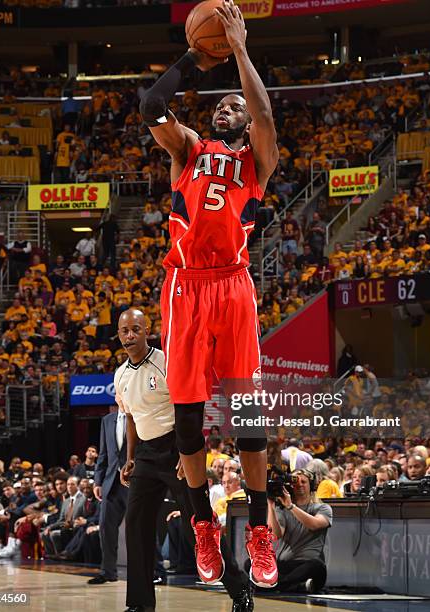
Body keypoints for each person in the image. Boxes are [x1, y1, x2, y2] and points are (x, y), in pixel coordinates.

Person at [140, 0, 279, 588]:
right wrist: (194, 58)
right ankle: (203, 526)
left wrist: (242, 49)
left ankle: (260, 530)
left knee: (248, 421)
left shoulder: (257, 162)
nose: (227, 107)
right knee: (191, 427)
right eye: (221, 103)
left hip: (233, 286)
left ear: (245, 123)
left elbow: (267, 113)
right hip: (185, 285)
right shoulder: (189, 149)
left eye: (235, 105)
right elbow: (150, 105)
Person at [117, 309, 253, 612]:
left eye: (135, 329)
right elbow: (129, 417)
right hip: (145, 457)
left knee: (200, 522)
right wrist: (129, 458)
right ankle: (140, 604)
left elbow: (188, 406)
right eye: (124, 330)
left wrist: (186, 451)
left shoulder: (165, 361)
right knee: (136, 525)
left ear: (147, 331)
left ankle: (240, 589)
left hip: (175, 447)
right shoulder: (121, 374)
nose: (129, 336)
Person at [267, 469, 332, 593]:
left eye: (304, 482)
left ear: (311, 485)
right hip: (285, 564)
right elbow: (275, 534)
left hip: (306, 565)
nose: (299, 484)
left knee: (317, 566)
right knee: (250, 563)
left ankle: (275, 585)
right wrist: (271, 505)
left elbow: (314, 524)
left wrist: (291, 506)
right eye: (295, 482)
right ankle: (295, 587)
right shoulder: (282, 509)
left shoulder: (322, 508)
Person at [88, 393, 128, 584]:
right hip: (111, 483)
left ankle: (156, 571)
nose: (123, 395)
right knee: (106, 528)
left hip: (134, 482)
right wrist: (97, 482)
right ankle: (108, 572)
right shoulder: (107, 420)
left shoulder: (140, 417)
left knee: (144, 528)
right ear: (116, 396)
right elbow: (103, 455)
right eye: (120, 392)